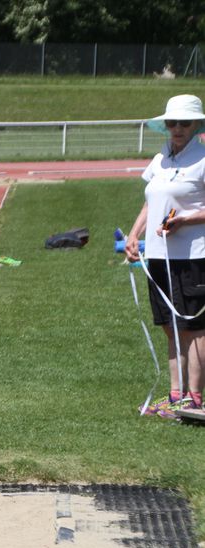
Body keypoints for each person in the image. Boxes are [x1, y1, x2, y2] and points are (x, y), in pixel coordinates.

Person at [125, 94, 205, 417]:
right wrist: (134, 234)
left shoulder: (202, 158)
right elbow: (150, 202)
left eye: (184, 123)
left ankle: (195, 398)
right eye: (172, 123)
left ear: (197, 125)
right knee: (170, 325)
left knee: (194, 326)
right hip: (159, 256)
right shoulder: (161, 159)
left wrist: (186, 219)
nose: (177, 128)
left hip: (193, 256)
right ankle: (175, 396)